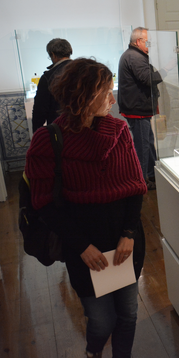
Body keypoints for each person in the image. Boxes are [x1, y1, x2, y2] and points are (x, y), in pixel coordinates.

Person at [25, 58, 148, 358]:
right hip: (83, 245)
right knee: (102, 319)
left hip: (124, 241)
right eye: (105, 92)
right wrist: (81, 246)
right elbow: (43, 204)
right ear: (83, 96)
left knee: (129, 313)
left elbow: (136, 187)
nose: (112, 99)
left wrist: (129, 233)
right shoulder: (48, 140)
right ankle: (94, 352)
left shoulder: (119, 130)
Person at [118, 27, 165, 190]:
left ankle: (151, 174)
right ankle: (141, 181)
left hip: (138, 108)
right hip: (137, 109)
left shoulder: (133, 55)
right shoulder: (135, 57)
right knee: (143, 145)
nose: (150, 45)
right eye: (148, 42)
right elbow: (147, 79)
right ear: (139, 41)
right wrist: (167, 69)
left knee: (148, 142)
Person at [32, 38, 73, 132]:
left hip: (60, 128)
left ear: (53, 55)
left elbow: (40, 111)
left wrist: (36, 134)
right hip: (84, 126)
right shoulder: (84, 71)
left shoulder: (48, 77)